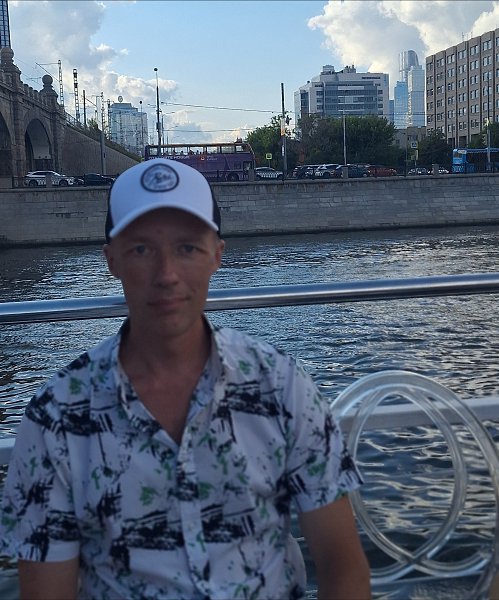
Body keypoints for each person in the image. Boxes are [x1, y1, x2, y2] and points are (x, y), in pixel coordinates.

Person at [0, 158, 370, 599]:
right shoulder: (57, 418)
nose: (167, 275)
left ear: (217, 255)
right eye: (142, 250)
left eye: (188, 248)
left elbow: (343, 569)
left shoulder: (283, 388)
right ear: (111, 260)